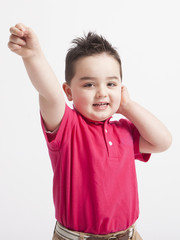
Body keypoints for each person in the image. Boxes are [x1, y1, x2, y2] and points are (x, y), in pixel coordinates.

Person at [8, 23, 172, 240]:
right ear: (69, 91)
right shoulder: (67, 126)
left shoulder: (124, 131)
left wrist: (127, 106)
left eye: (111, 84)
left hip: (128, 235)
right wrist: (32, 55)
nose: (102, 93)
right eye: (89, 85)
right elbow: (50, 94)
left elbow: (163, 141)